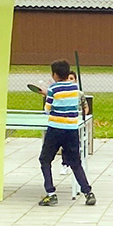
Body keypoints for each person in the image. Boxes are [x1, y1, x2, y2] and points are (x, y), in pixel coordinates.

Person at [37, 59, 95, 207]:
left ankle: (51, 193)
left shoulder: (53, 89)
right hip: (71, 130)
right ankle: (88, 192)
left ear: (55, 75)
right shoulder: (75, 89)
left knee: (45, 160)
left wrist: (46, 95)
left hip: (55, 130)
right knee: (75, 162)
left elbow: (47, 109)